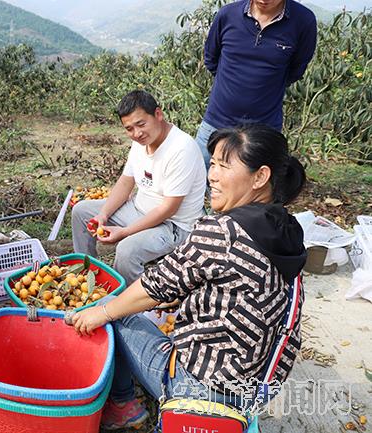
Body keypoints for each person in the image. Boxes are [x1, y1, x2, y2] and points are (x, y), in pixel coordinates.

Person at [73, 124, 307, 430]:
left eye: (225, 165)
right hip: (255, 388)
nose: (213, 175)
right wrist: (187, 301)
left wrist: (100, 312)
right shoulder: (286, 229)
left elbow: (152, 287)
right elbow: (241, 290)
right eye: (212, 164)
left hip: (201, 388)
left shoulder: (223, 232)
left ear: (260, 177)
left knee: (114, 312)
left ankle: (123, 405)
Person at [71, 90, 206, 286]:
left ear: (158, 115)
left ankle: (132, 305)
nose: (137, 134)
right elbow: (126, 183)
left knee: (127, 250)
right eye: (129, 129)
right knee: (81, 211)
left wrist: (124, 232)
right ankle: (87, 276)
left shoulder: (181, 148)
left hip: (173, 226)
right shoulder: (140, 143)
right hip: (138, 210)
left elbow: (168, 208)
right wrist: (103, 215)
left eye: (141, 124)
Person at [196, 0, 317, 167]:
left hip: (264, 129)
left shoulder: (303, 20)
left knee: (254, 188)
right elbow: (211, 59)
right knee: (199, 180)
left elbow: (296, 69)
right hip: (216, 121)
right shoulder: (227, 15)